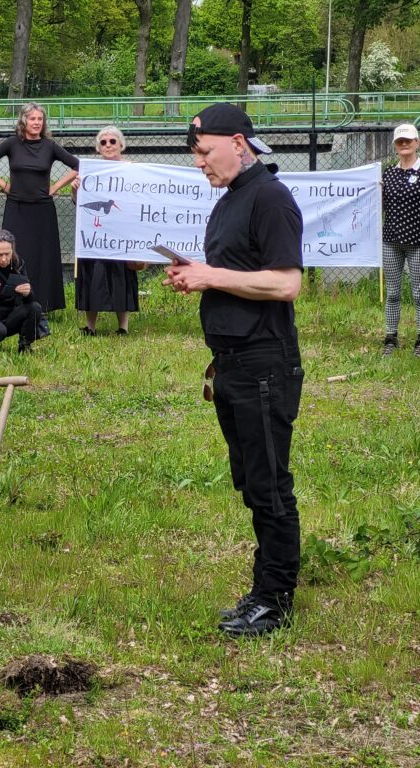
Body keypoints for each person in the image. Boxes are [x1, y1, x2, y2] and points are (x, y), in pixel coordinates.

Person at [164, 103, 304, 638]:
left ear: (238, 143)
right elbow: (230, 275)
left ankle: (275, 600)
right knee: (250, 480)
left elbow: (285, 283)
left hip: (265, 363)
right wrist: (196, 277)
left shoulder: (269, 198)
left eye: (204, 152)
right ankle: (264, 587)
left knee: (270, 484)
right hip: (232, 365)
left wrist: (210, 276)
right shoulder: (228, 201)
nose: (199, 162)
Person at [0, 102, 78, 313]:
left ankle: (43, 304)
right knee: (13, 254)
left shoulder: (50, 146)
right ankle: (11, 303)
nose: (36, 123)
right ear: (23, 120)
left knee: (43, 256)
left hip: (43, 210)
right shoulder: (12, 143)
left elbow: (77, 165)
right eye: (32, 119)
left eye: (40, 119)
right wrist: (3, 185)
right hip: (16, 208)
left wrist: (56, 186)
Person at [73, 126, 141, 335]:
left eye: (113, 141)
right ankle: (90, 326)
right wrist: (75, 191)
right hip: (96, 235)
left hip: (123, 232)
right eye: (103, 142)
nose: (108, 145)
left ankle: (123, 327)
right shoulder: (89, 172)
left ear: (121, 145)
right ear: (98, 148)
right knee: (92, 273)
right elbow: (79, 204)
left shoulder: (134, 170)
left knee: (122, 275)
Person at [379, 123, 420, 357]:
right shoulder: (389, 174)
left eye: (408, 140)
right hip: (391, 241)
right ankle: (391, 337)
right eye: (399, 141)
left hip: (418, 241)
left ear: (417, 143)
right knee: (393, 292)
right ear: (395, 145)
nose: (404, 144)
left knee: (419, 293)